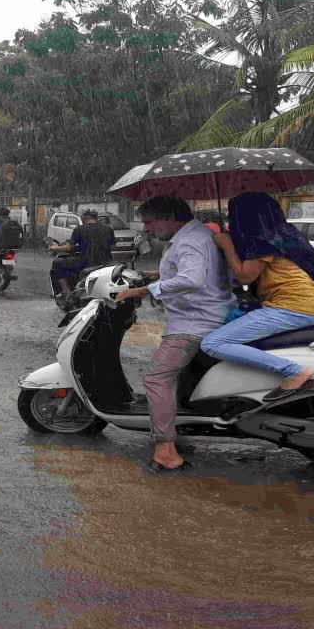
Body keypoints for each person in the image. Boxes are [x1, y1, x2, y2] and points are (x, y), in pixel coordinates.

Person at [114, 196, 235, 472]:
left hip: (193, 323)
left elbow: (192, 278)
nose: (145, 229)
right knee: (180, 379)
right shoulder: (196, 234)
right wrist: (154, 274)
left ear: (169, 217)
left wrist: (142, 290)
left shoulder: (189, 240)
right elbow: (189, 270)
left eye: (148, 222)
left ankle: (166, 451)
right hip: (206, 315)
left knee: (157, 379)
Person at [201, 192, 314, 401]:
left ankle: (294, 371)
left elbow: (244, 277)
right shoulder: (285, 233)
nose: (230, 220)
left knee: (213, 343)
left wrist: (226, 246)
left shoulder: (263, 242)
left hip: (292, 308)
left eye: (232, 215)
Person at [49, 209, 115, 295]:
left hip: (86, 263)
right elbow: (112, 246)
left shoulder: (80, 229)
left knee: (57, 263)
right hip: (106, 263)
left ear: (84, 218)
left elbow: (69, 247)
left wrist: (55, 248)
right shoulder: (108, 229)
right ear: (96, 218)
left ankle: (66, 290)